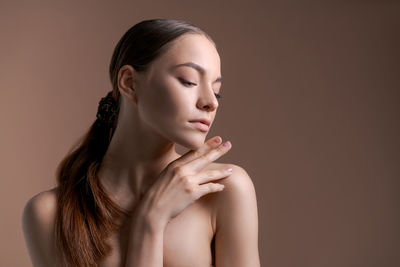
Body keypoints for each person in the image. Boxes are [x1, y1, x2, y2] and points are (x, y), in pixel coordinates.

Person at [21, 18, 260, 267]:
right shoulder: (50, 214)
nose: (211, 102)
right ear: (129, 83)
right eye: (189, 81)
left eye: (216, 90)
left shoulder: (223, 189)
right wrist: (150, 221)